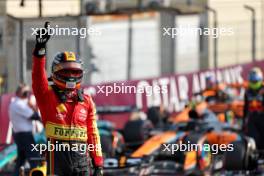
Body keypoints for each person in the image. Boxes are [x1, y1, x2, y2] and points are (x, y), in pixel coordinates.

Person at [32, 22, 103, 176]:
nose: (71, 76)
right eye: (67, 71)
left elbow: (93, 133)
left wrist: (98, 164)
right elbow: (38, 76)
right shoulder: (46, 95)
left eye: (74, 72)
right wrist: (40, 50)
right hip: (56, 160)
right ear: (56, 72)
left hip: (82, 162)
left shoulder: (87, 100)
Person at [9, 84, 41, 176]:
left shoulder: (17, 103)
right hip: (24, 135)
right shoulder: (18, 104)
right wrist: (32, 107)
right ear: (18, 93)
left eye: (27, 92)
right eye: (25, 92)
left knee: (21, 160)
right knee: (34, 158)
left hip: (20, 134)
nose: (27, 94)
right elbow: (35, 116)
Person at [243, 67, 264, 149]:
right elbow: (245, 107)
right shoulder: (247, 92)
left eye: (255, 81)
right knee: (253, 138)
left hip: (262, 117)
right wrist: (244, 121)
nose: (254, 83)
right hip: (252, 119)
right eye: (252, 81)